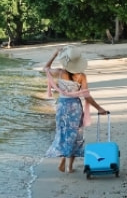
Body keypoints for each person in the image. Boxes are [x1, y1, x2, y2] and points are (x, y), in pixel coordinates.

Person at [43, 45, 107, 173]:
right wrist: (99, 108)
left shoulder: (60, 72)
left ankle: (63, 162)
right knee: (75, 134)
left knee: (63, 133)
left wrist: (55, 54)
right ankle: (69, 166)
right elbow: (86, 96)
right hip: (75, 107)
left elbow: (46, 68)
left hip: (62, 106)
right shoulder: (81, 76)